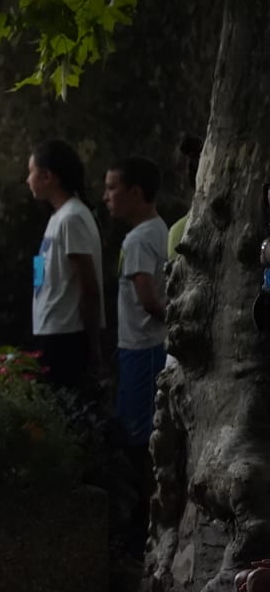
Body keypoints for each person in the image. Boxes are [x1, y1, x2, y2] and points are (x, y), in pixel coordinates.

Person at [27, 138, 104, 391]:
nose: (28, 180)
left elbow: (88, 286)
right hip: (50, 329)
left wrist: (93, 345)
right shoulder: (58, 217)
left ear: (48, 177)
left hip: (67, 334)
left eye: (31, 172)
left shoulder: (72, 218)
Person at [104, 155, 168, 440]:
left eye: (112, 188)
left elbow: (149, 300)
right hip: (147, 345)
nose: (106, 196)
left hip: (143, 346)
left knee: (139, 431)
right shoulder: (158, 229)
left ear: (135, 193)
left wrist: (173, 320)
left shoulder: (138, 240)